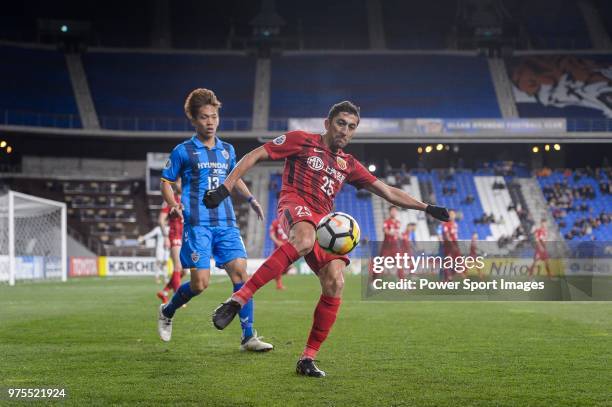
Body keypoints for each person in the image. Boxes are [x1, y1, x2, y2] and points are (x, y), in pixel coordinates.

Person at [204, 101, 449, 377]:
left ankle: (307, 358)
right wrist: (226, 188)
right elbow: (256, 154)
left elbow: (387, 191)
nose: (345, 130)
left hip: (323, 221)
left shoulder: (348, 164)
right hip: (293, 204)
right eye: (341, 123)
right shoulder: (301, 140)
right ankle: (238, 299)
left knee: (336, 281)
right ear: (327, 123)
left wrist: (426, 207)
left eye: (351, 126)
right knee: (305, 239)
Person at [156, 88, 273, 352]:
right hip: (198, 225)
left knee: (242, 273)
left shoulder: (227, 150)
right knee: (200, 284)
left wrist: (252, 200)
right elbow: (165, 182)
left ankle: (248, 337)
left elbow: (235, 179)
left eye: (214, 116)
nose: (210, 122)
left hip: (227, 223)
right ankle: (168, 310)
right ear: (194, 120)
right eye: (204, 117)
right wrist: (173, 205)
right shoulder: (183, 151)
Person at [156, 179, 186, 304]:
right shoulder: (170, 199)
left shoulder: (187, 198)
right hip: (174, 235)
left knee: (184, 270)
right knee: (178, 267)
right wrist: (165, 237)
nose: (181, 184)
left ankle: (164, 291)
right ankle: (178, 298)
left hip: (185, 236)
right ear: (175, 185)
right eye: (179, 182)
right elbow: (161, 220)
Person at [269, 217, 294, 290]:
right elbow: (271, 235)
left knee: (288, 267)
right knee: (280, 267)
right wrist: (277, 242)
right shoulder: (275, 223)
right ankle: (279, 285)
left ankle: (272, 275)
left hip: (288, 248)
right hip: (279, 248)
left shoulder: (289, 223)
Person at [441, 209, 461, 280]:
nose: (452, 215)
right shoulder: (445, 224)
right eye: (450, 214)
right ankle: (446, 279)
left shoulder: (455, 224)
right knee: (448, 262)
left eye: (453, 214)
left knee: (459, 262)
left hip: (455, 244)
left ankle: (450, 276)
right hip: (449, 245)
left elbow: (455, 235)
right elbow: (447, 235)